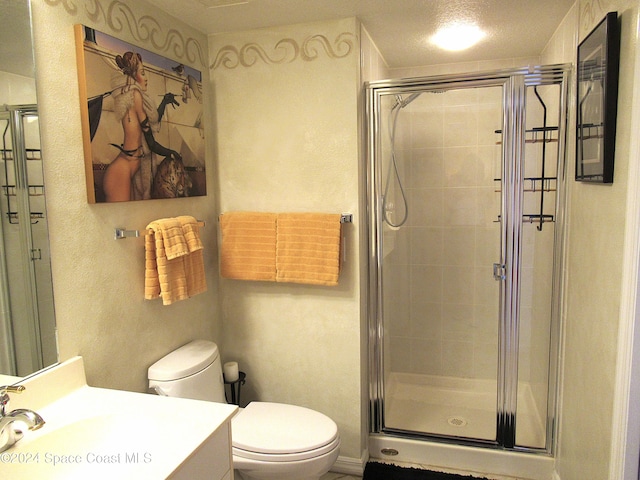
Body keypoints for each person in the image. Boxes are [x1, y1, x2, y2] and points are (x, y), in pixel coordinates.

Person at [103, 51, 181, 202]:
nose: (146, 79)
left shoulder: (131, 95)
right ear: (133, 76)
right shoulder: (135, 95)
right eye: (143, 73)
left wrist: (164, 102)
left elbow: (151, 121)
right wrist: (171, 152)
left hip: (128, 168)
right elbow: (151, 143)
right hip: (121, 171)